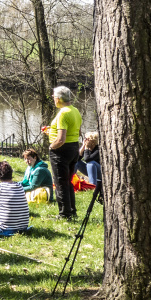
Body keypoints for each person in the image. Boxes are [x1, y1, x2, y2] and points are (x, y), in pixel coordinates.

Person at [45, 85, 83, 221]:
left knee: (60, 183)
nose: (53, 99)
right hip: (74, 148)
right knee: (68, 181)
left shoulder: (63, 113)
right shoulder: (75, 110)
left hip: (62, 151)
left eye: (54, 97)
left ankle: (64, 214)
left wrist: (51, 146)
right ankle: (72, 211)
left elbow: (61, 139)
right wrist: (51, 131)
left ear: (59, 99)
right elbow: (78, 132)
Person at [77, 131, 102, 199]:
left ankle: (93, 186)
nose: (84, 140)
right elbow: (77, 159)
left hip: (100, 173)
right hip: (90, 171)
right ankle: (72, 181)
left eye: (86, 139)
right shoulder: (87, 148)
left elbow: (87, 159)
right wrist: (82, 147)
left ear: (92, 141)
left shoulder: (98, 149)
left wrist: (86, 149)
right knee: (77, 162)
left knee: (91, 164)